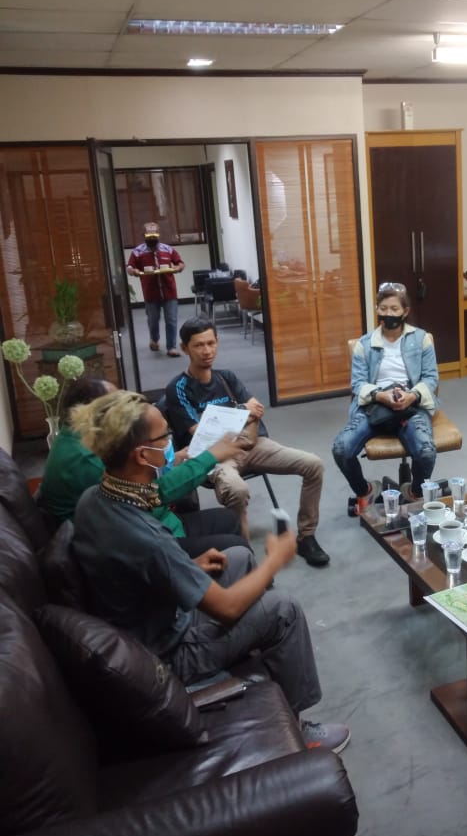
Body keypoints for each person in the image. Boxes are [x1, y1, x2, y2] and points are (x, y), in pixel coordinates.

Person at [69, 389, 349, 753]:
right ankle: (298, 730)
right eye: (165, 437)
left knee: (239, 556)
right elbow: (226, 608)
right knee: (284, 608)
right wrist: (275, 559)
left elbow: (133, 567)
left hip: (148, 616)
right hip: (169, 653)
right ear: (142, 454)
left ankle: (261, 649)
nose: (171, 443)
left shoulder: (95, 497)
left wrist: (189, 566)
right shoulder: (146, 537)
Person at [165, 316, 330, 567]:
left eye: (211, 343)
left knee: (313, 464)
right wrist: (242, 412)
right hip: (214, 456)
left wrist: (243, 417)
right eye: (198, 345)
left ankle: (306, 536)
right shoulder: (178, 388)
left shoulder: (226, 378)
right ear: (185, 348)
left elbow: (255, 414)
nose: (207, 351)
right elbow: (202, 431)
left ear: (217, 342)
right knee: (237, 490)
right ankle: (245, 557)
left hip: (251, 445)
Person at [38, 375, 251, 558]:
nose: (126, 410)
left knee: (229, 520)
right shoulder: (86, 458)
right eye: (117, 405)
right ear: (93, 411)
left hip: (149, 523)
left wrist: (170, 462)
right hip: (141, 541)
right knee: (236, 547)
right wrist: (210, 456)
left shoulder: (79, 438)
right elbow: (151, 495)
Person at [332, 281, 439, 513]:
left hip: (411, 406)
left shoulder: (421, 339)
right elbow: (358, 383)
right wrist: (381, 396)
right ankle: (366, 491)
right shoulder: (365, 344)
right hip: (375, 405)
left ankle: (414, 493)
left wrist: (412, 395)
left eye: (394, 309)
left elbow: (431, 378)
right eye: (383, 308)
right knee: (341, 449)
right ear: (377, 309)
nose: (388, 314)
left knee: (426, 452)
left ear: (405, 312)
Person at [127, 221, 185, 357]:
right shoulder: (137, 252)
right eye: (149, 234)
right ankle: (154, 339)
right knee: (153, 320)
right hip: (151, 293)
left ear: (158, 234)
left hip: (169, 291)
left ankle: (171, 347)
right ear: (144, 235)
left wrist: (177, 268)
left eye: (154, 233)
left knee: (171, 320)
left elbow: (180, 263)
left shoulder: (167, 249)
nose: (152, 236)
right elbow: (130, 267)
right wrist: (134, 271)